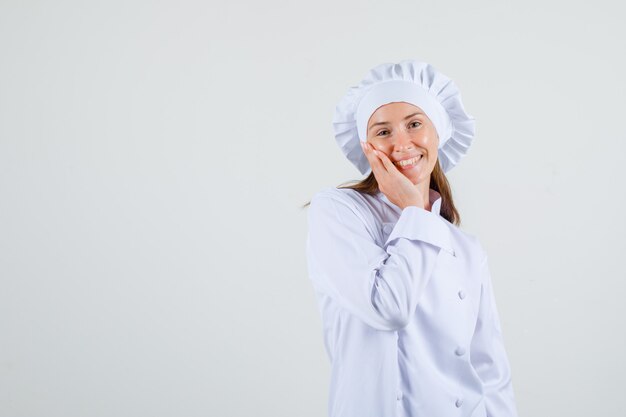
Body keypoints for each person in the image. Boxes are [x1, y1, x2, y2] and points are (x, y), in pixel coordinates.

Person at [304, 59, 519, 417]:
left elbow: (490, 372)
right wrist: (415, 210)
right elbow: (387, 308)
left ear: (438, 134)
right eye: (383, 131)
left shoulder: (466, 249)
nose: (401, 143)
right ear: (367, 146)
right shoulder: (339, 212)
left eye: (414, 124)